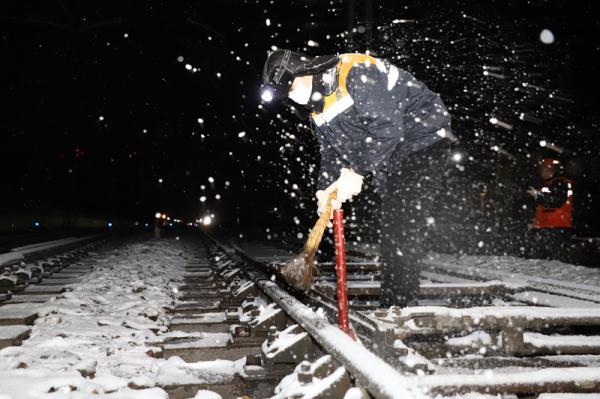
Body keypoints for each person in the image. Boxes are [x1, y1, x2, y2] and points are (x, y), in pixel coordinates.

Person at [261, 50, 453, 307]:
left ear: (304, 71)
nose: (294, 97)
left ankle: (397, 309)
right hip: (392, 152)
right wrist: (325, 189)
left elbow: (386, 128)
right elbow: (332, 153)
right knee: (395, 226)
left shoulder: (353, 72)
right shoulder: (317, 109)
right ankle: (397, 303)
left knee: (401, 224)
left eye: (292, 87)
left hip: (422, 137)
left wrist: (357, 171)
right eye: (289, 95)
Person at [527, 158, 574, 261]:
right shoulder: (547, 184)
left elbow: (556, 201)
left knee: (557, 259)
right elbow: (541, 206)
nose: (540, 171)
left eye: (542, 168)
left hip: (557, 226)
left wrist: (538, 195)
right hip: (546, 226)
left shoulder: (561, 182)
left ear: (550, 169)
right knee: (547, 260)